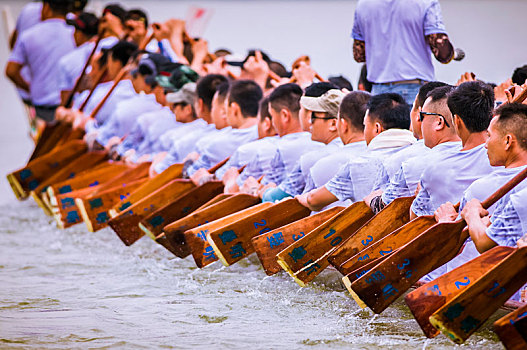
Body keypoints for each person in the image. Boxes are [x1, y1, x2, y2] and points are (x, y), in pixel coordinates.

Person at [297, 93, 415, 211]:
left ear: (377, 128)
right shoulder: (420, 155)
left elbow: (314, 200)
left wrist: (301, 198)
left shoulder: (357, 165)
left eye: (365, 125)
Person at [366, 84, 460, 212]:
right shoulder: (482, 156)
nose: (419, 121)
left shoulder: (412, 166)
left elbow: (382, 208)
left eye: (423, 116)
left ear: (439, 122)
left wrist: (372, 198)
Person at [410, 81, 495, 218]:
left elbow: (415, 219)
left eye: (422, 116)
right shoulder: (506, 158)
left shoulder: (435, 169)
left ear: (456, 121)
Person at [351, 0, 458, 104]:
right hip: (414, 90)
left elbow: (359, 55)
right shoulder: (425, 2)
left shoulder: (363, 4)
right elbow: (443, 54)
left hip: (379, 92)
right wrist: (451, 53)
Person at [261, 88, 345, 202]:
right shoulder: (366, 153)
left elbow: (274, 198)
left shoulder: (312, 159)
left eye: (314, 116)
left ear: (334, 123)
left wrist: (262, 191)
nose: (310, 121)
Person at [6, 0, 76, 122]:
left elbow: (11, 70)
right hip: (70, 105)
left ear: (47, 7)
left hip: (41, 104)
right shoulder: (76, 33)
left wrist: (29, 88)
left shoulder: (29, 33)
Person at [184, 80, 261, 177]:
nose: (223, 113)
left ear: (234, 109)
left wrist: (189, 161)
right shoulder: (269, 136)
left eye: (225, 108)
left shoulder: (216, 143)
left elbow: (189, 175)